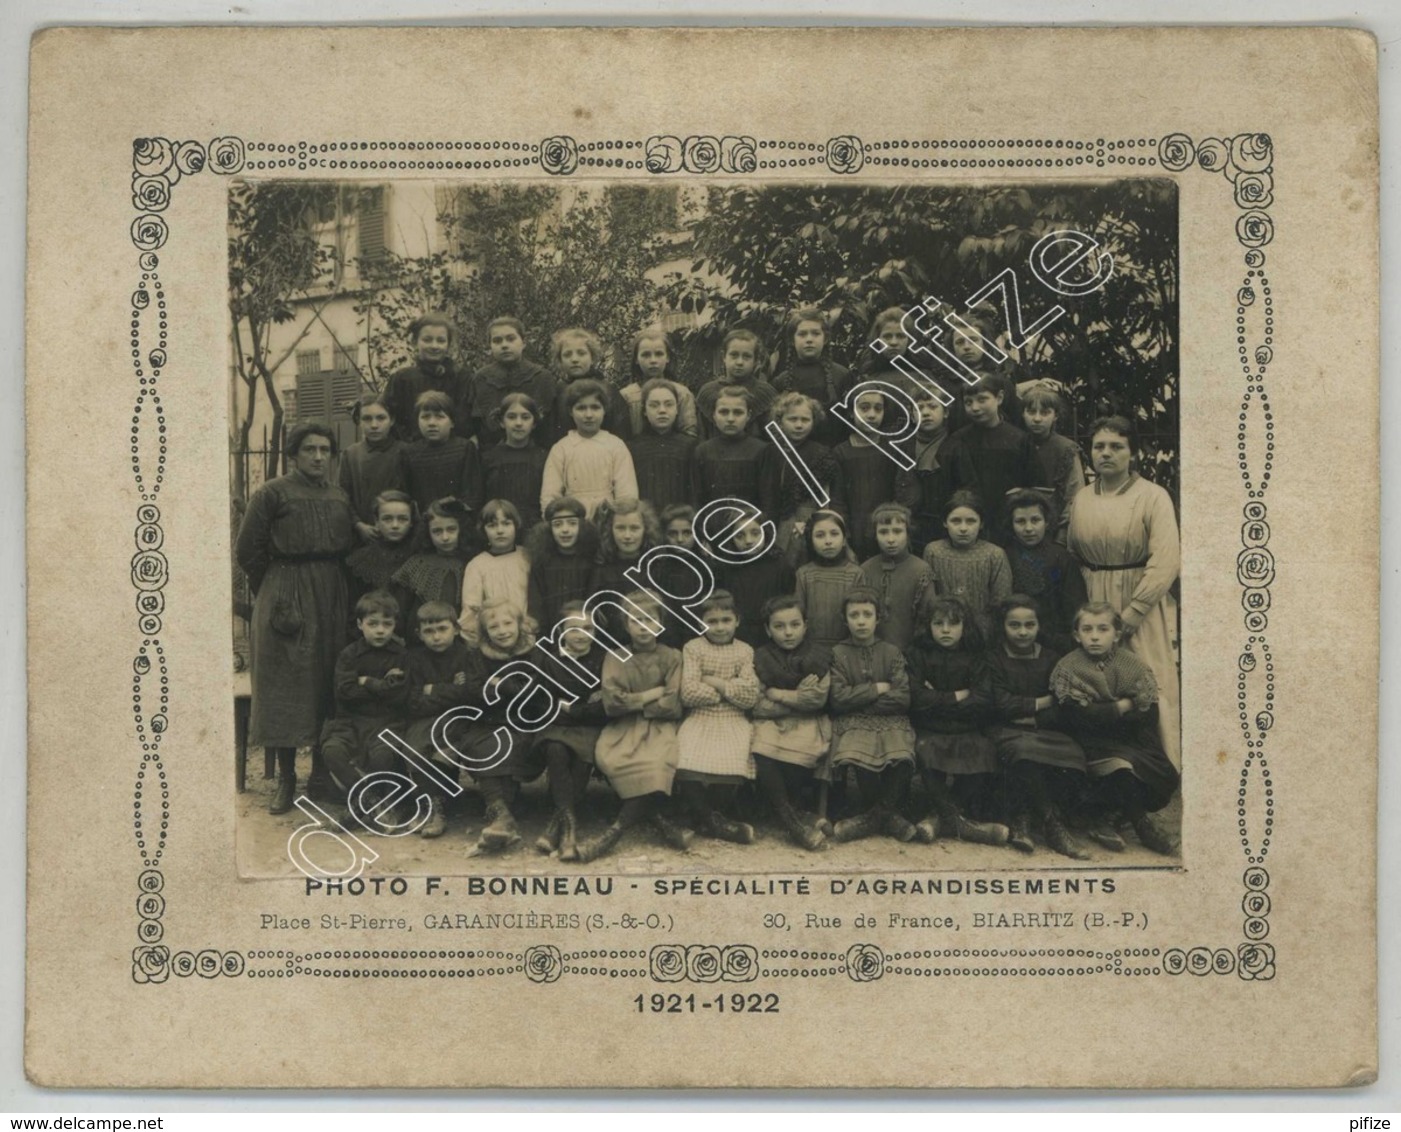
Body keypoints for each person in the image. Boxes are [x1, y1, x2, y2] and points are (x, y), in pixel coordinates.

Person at [236, 423, 356, 814]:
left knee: (327, 680)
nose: (319, 457)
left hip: (331, 591)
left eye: (325, 450)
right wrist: (273, 590)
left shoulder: (339, 495)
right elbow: (247, 549)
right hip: (286, 587)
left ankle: (320, 775)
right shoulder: (272, 493)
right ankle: (286, 779)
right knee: (284, 681)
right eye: (309, 450)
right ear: (294, 455)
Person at [1065, 415, 1181, 766]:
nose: (1106, 454)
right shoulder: (1082, 498)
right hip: (1094, 600)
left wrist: (1135, 610)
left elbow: (1166, 560)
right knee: (1098, 678)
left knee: (1147, 674)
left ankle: (1161, 763)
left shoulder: (1152, 497)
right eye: (1099, 446)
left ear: (1132, 453)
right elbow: (1073, 553)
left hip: (1136, 600)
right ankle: (1107, 765)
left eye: (1117, 447)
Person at [1052, 602, 1180, 855]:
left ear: (1117, 634)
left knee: (1160, 770)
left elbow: (1147, 712)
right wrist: (1123, 705)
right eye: (1087, 630)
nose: (1095, 636)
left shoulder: (1133, 665)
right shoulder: (1068, 668)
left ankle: (1108, 818)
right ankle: (1143, 827)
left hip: (1129, 738)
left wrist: (1103, 710)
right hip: (1089, 742)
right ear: (1077, 635)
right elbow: (1078, 716)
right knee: (1120, 767)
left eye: (1103, 629)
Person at [577, 590, 694, 862]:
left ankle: (614, 832)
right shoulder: (615, 657)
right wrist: (653, 694)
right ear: (625, 625)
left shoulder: (672, 656)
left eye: (650, 620)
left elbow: (672, 705)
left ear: (661, 623)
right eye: (635, 620)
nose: (643, 627)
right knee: (612, 757)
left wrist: (636, 700)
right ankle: (659, 820)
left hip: (660, 727)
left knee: (657, 762)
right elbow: (613, 703)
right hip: (623, 727)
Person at [985, 594, 1090, 859]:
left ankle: (1026, 817)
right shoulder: (993, 659)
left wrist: (1033, 717)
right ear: (1003, 626)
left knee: (1074, 755)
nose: (1022, 632)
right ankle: (1051, 823)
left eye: (1029, 625)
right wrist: (1041, 701)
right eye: (1014, 625)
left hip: (1045, 729)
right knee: (1023, 752)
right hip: (1005, 730)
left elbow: (1063, 703)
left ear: (1039, 625)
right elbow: (1000, 704)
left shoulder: (1053, 659)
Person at [905, 596, 1010, 847]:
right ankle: (959, 822)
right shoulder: (917, 654)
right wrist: (959, 694)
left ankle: (940, 817)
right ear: (928, 626)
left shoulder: (976, 656)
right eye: (938, 623)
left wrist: (937, 698)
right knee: (925, 750)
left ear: (965, 626)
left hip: (967, 726)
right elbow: (917, 697)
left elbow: (982, 700)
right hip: (929, 727)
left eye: (953, 624)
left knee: (982, 751)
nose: (945, 630)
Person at [827, 587, 918, 843]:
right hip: (852, 723)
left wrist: (859, 700)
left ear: (878, 618)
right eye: (854, 615)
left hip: (892, 720)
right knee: (858, 749)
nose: (861, 620)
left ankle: (875, 816)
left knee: (901, 750)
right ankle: (888, 817)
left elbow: (902, 697)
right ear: (845, 619)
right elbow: (838, 698)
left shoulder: (891, 652)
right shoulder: (838, 653)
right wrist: (877, 688)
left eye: (867, 614)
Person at [676, 591, 762, 843]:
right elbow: (689, 693)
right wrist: (731, 688)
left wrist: (714, 683)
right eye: (712, 621)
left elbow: (750, 696)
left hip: (733, 717)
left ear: (737, 621)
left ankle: (706, 819)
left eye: (726, 620)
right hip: (699, 716)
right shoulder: (693, 648)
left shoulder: (745, 650)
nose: (720, 627)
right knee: (685, 757)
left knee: (734, 757)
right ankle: (714, 822)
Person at [460, 599, 543, 856]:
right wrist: (501, 686)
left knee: (512, 745)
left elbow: (530, 693)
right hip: (489, 720)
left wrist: (499, 683)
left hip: (524, 721)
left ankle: (502, 818)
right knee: (482, 746)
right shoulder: (477, 655)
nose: (502, 630)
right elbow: (474, 691)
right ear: (485, 632)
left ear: (520, 624)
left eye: (508, 623)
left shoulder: (535, 653)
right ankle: (502, 817)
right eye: (493, 626)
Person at [750, 596, 832, 851]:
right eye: (779, 626)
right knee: (762, 748)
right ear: (767, 629)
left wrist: (778, 694)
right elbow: (756, 704)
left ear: (805, 625)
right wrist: (798, 696)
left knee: (803, 750)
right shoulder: (760, 657)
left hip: (808, 722)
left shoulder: (818, 656)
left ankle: (790, 813)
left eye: (795, 625)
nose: (788, 633)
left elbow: (817, 699)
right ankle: (792, 821)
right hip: (771, 723)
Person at [530, 602, 609, 861]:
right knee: (555, 749)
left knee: (583, 755)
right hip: (554, 727)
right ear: (561, 630)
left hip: (588, 727)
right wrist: (583, 704)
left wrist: (571, 708)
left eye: (588, 628)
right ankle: (569, 828)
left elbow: (604, 706)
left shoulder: (604, 659)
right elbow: (542, 702)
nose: (580, 634)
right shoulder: (547, 659)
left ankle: (558, 826)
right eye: (573, 628)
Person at [318, 590, 408, 811]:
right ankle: (366, 798)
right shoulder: (349, 655)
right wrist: (383, 686)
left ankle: (371, 802)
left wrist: (366, 681)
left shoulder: (401, 655)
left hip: (386, 721)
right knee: (332, 750)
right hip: (349, 721)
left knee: (383, 755)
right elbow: (345, 691)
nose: (380, 630)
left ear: (395, 624)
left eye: (387, 624)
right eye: (373, 624)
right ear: (360, 624)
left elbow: (399, 694)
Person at [401, 600, 476, 838]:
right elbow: (412, 701)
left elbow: (468, 696)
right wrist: (450, 689)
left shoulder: (467, 656)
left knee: (442, 749)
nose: (436, 637)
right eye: (429, 631)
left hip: (458, 720)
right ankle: (431, 806)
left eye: (442, 629)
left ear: (456, 628)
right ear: (419, 634)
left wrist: (431, 689)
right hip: (425, 719)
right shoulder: (414, 659)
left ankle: (439, 806)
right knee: (415, 747)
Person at [943, 373, 1039, 544]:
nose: (975, 407)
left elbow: (1035, 483)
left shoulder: (1019, 439)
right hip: (969, 527)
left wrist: (1023, 493)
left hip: (1009, 524)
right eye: (968, 402)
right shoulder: (958, 440)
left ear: (999, 397)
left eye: (982, 399)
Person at [764, 391, 846, 567]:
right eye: (792, 419)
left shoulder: (821, 454)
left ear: (814, 422)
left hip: (811, 519)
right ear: (780, 421)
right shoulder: (771, 452)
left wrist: (815, 521)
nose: (799, 425)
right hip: (778, 520)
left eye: (805, 420)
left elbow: (827, 496)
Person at [1004, 488, 1088, 656]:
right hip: (1015, 639)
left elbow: (1075, 606)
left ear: (1047, 522)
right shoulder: (1005, 556)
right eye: (1020, 521)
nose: (1028, 528)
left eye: (1035, 520)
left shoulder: (1061, 557)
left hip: (1055, 642)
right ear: (1011, 524)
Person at [541, 378, 639, 520]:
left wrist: (622, 522)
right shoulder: (561, 448)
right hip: (572, 519)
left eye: (595, 407)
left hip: (608, 518)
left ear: (604, 410)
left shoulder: (615, 445)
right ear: (570, 411)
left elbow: (627, 493)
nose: (588, 415)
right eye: (581, 408)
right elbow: (550, 494)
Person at [922, 489, 1013, 632]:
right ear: (945, 523)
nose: (963, 528)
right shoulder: (933, 551)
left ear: (981, 524)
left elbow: (1001, 601)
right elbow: (929, 599)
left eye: (971, 521)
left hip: (982, 632)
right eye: (956, 521)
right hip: (944, 630)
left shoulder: (994, 555)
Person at [462, 316, 560, 446]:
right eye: (497, 341)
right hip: (491, 457)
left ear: (523, 342)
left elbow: (550, 428)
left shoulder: (542, 378)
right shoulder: (481, 379)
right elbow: (474, 425)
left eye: (510, 339)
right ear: (490, 346)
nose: (504, 345)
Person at [859, 501, 937, 654]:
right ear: (875, 534)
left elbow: (927, 616)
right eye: (883, 532)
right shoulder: (865, 569)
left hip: (911, 653)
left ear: (908, 533)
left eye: (897, 531)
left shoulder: (921, 569)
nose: (890, 539)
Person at [833, 387, 901, 561]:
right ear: (850, 412)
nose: (871, 415)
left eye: (878, 409)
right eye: (864, 408)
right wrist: (845, 544)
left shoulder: (892, 450)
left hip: (887, 534)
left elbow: (901, 496)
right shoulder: (841, 453)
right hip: (854, 535)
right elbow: (837, 502)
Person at [770, 306, 853, 446]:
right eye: (802, 334)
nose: (809, 339)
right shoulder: (782, 381)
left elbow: (850, 424)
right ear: (792, 340)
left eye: (815, 333)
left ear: (825, 338)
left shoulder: (842, 376)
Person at [343, 490, 416, 639]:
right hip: (370, 639)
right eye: (387, 519)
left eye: (402, 519)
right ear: (376, 521)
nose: (395, 525)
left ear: (411, 522)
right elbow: (353, 610)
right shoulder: (359, 560)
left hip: (409, 641)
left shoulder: (418, 558)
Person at [716, 513, 796, 650]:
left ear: (766, 533)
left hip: (772, 638)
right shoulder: (725, 568)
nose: (748, 541)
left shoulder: (780, 565)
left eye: (755, 533)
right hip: (736, 637)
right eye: (740, 536)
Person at [382, 312, 464, 443]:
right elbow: (388, 419)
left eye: (441, 340)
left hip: (452, 453)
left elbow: (465, 421)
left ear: (448, 345)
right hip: (411, 453)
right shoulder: (402, 378)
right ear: (415, 342)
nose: (434, 346)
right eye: (427, 340)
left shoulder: (460, 377)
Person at [458, 499, 530, 647]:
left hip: (527, 636)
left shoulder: (527, 557)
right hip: (493, 639)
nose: (500, 530)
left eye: (506, 524)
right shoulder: (477, 565)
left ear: (516, 526)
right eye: (492, 525)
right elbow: (471, 609)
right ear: (484, 530)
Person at [525, 496, 598, 639]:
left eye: (572, 523)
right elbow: (536, 602)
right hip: (550, 632)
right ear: (548, 529)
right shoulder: (542, 562)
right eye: (557, 525)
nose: (565, 530)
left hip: (583, 632)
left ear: (582, 526)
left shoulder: (591, 560)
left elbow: (593, 600)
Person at [400, 390, 482, 516]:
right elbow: (406, 494)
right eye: (425, 417)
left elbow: (472, 493)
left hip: (457, 520)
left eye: (439, 417)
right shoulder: (409, 453)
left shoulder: (465, 448)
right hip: (423, 520)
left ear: (452, 422)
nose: (432, 423)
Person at [1020, 380, 1085, 537]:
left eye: (1044, 413)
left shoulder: (1066, 449)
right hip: (1019, 528)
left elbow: (1074, 495)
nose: (1037, 418)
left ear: (1055, 415)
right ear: (1022, 413)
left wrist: (1063, 532)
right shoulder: (1014, 444)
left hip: (1054, 529)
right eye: (1031, 412)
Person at [339, 392, 408, 539]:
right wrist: (358, 524)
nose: (374, 425)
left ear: (392, 420)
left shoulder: (405, 452)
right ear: (358, 421)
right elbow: (342, 496)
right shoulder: (351, 455)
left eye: (381, 418)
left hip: (400, 532)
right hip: (362, 534)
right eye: (367, 419)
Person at [894, 391, 954, 558]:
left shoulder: (954, 446)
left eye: (933, 407)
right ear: (912, 417)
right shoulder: (905, 447)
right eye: (919, 408)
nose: (926, 413)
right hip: (913, 524)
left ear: (946, 412)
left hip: (944, 524)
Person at [390, 497, 473, 619]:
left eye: (451, 529)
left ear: (461, 529)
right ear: (427, 533)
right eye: (437, 531)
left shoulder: (471, 563)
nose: (445, 537)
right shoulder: (416, 564)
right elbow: (400, 610)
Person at [694, 387, 774, 510]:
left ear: (748, 415)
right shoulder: (703, 451)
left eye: (738, 412)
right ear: (714, 415)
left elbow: (769, 501)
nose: (730, 419)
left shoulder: (761, 450)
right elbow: (697, 501)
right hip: (712, 525)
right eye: (723, 412)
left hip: (750, 525)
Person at [793, 509, 863, 650]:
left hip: (848, 648)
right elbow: (798, 614)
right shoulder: (804, 574)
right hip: (811, 648)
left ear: (844, 540)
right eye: (820, 535)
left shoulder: (855, 573)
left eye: (834, 534)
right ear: (810, 541)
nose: (828, 541)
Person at [549, 326, 632, 444]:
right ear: (560, 361)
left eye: (581, 353)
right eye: (567, 355)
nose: (574, 359)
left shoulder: (607, 389)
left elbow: (620, 430)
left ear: (592, 357)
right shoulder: (558, 390)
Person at [478, 392, 548, 532]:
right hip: (499, 528)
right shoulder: (488, 458)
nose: (518, 423)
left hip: (534, 529)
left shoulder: (543, 457)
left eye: (525, 417)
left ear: (534, 423)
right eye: (511, 417)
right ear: (501, 422)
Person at [627, 378, 697, 513]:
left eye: (669, 404)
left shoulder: (690, 446)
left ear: (677, 409)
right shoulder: (632, 448)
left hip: (679, 523)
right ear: (644, 411)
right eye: (654, 405)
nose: (662, 410)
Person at [696, 329, 779, 438]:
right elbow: (701, 436)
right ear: (724, 357)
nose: (739, 362)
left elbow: (776, 438)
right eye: (734, 355)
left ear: (756, 361)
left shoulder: (765, 393)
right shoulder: (708, 392)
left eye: (746, 356)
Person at [618, 328, 699, 438]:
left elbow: (690, 435)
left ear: (668, 357)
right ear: (636, 359)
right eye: (646, 355)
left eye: (659, 354)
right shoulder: (626, 396)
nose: (653, 360)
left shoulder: (682, 394)